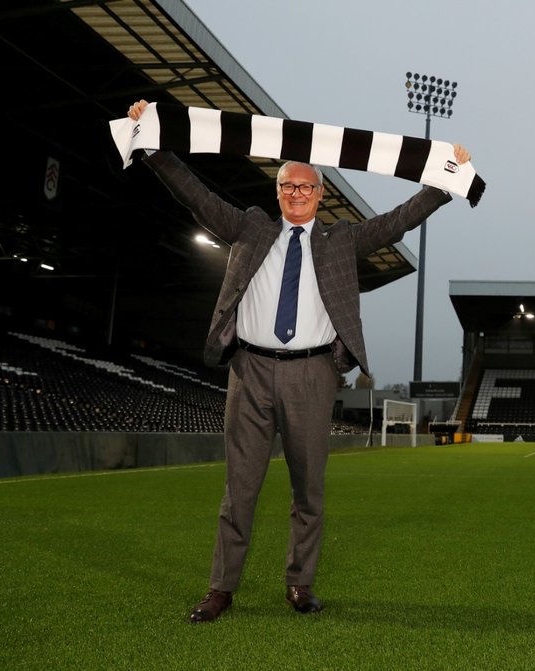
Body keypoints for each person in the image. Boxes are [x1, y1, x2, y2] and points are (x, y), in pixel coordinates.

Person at [125, 100, 472, 623]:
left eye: (306, 187)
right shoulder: (249, 228)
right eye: (288, 186)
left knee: (308, 489)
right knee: (239, 488)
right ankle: (221, 589)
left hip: (312, 373)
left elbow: (399, 220)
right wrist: (151, 145)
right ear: (277, 192)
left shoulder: (342, 238)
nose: (296, 194)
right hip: (250, 371)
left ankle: (300, 583)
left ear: (320, 194)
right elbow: (195, 194)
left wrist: (443, 183)